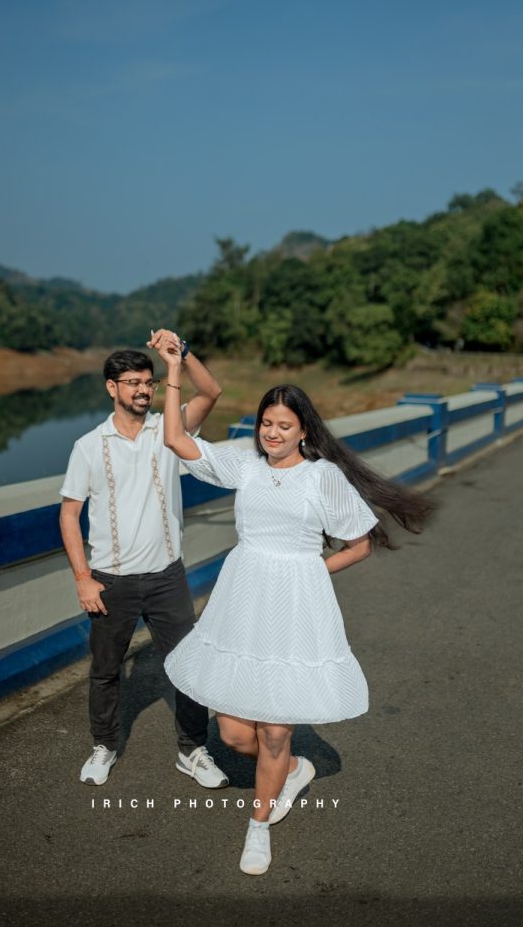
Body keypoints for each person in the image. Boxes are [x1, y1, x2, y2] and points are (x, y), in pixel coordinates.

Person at [156, 340, 433, 875]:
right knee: (237, 734)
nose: (272, 433)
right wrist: (176, 365)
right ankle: (297, 769)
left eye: (283, 425)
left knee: (275, 729)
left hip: (294, 608)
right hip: (242, 600)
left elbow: (360, 542)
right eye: (265, 423)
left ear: (304, 429)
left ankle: (258, 827)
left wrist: (309, 575)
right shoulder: (245, 465)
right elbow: (174, 437)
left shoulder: (323, 476)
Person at [59, 330, 228, 789]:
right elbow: (69, 514)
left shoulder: (168, 430)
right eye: (132, 382)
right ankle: (104, 745)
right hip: (110, 580)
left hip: (166, 575)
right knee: (105, 671)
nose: (142, 390)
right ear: (111, 388)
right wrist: (82, 578)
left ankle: (193, 750)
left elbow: (211, 392)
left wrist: (182, 355)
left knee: (188, 666)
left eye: (148, 382)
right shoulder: (88, 446)